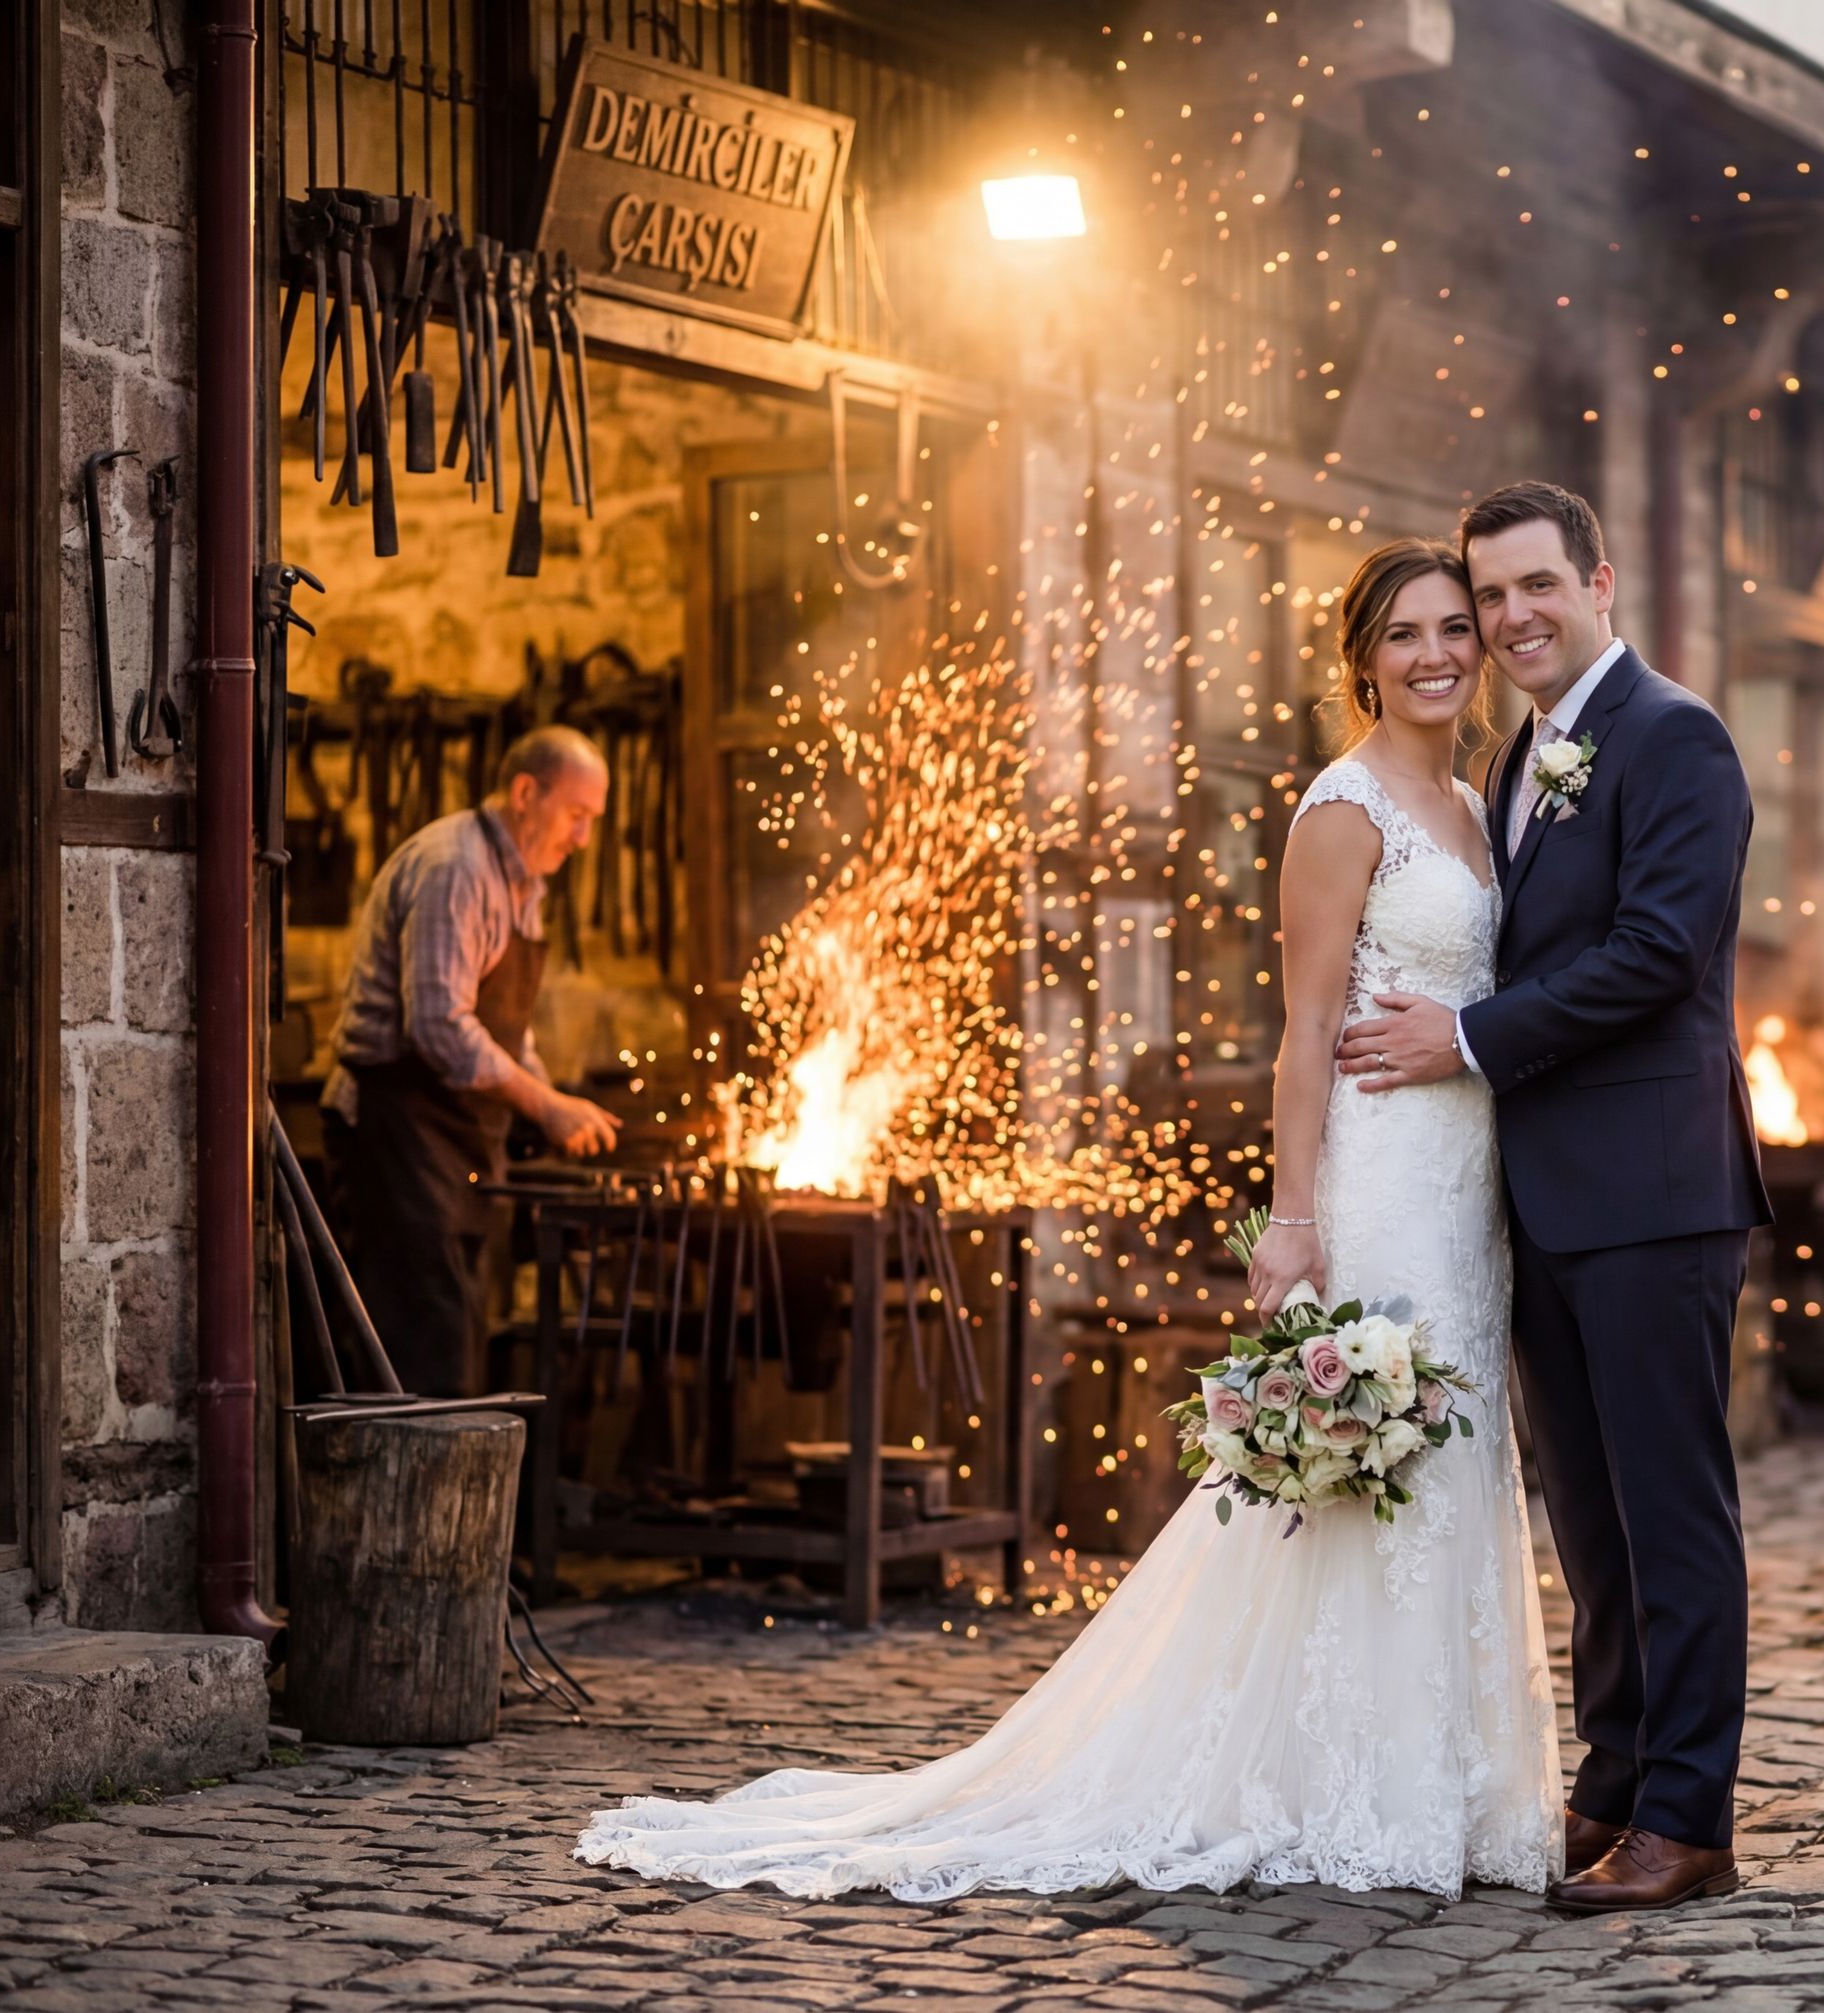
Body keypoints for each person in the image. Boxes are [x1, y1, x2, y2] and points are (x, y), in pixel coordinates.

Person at [577, 539, 1562, 1901]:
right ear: (1362, 659)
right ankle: (1338, 1783)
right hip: (1382, 1176)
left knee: (1443, 1467)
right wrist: (1292, 1219)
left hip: (1469, 1190)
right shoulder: (1344, 811)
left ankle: (1440, 1783)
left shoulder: (1473, 800)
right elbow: (1302, 1036)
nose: (1439, 652)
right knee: (1354, 1471)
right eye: (1405, 634)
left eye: (1457, 626)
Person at [1342, 481, 1771, 1913]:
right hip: (1545, 1199)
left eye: (1537, 588)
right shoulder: (1526, 756)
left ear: (1600, 582)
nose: (1513, 618)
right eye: (1491, 597)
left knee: (1671, 1509)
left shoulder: (1675, 736)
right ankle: (1616, 1772)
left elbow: (1658, 952)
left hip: (1655, 1190)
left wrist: (1462, 1039)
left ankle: (1690, 1815)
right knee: (1589, 1514)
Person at [324, 724, 619, 1396]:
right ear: (525, 792)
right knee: (421, 1353)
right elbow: (438, 1026)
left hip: (453, 1141)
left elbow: (505, 1032)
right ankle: (402, 1504)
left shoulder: (520, 883)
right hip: (397, 1135)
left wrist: (555, 1105)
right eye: (577, 815)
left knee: (457, 1348)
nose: (583, 839)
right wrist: (547, 1105)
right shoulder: (456, 868)